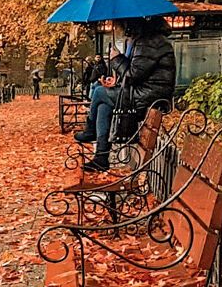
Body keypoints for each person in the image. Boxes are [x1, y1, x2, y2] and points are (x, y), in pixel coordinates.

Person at [75, 17, 176, 172]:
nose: (118, 30)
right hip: (143, 93)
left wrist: (116, 59)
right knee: (103, 106)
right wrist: (116, 82)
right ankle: (101, 157)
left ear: (129, 25)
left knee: (99, 91)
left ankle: (90, 130)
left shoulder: (150, 43)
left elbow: (133, 74)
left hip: (148, 97)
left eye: (119, 26)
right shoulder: (146, 41)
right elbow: (136, 73)